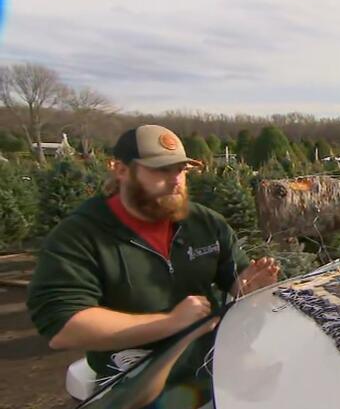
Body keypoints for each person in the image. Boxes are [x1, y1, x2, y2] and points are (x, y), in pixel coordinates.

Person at [27, 125, 279, 380]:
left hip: (207, 360)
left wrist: (247, 287)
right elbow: (64, 326)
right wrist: (169, 322)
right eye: (160, 170)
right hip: (133, 376)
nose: (175, 180)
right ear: (121, 170)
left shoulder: (205, 223)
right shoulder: (82, 235)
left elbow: (234, 279)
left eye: (180, 169)